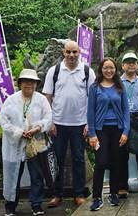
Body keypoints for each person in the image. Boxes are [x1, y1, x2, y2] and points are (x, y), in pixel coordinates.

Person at [43, 40, 96, 207]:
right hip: (58, 123)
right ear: (63, 53)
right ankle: (57, 194)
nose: (72, 55)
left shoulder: (87, 71)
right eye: (68, 52)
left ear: (79, 52)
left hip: (80, 124)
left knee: (78, 159)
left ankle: (79, 193)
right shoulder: (54, 71)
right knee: (57, 160)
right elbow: (47, 98)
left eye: (75, 52)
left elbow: (93, 99)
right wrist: (50, 122)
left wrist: (89, 123)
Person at [1, 69, 52, 216]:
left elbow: (48, 117)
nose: (29, 84)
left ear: (36, 84)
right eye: (25, 81)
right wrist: (18, 132)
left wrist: (38, 127)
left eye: (32, 81)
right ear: (20, 83)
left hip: (35, 144)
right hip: (14, 145)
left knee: (37, 175)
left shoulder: (41, 99)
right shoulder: (11, 100)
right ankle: (10, 205)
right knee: (13, 175)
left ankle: (36, 204)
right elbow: (4, 122)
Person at [87, 58, 130, 211]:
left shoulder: (120, 86)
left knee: (115, 162)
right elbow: (90, 112)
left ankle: (113, 193)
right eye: (106, 68)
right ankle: (97, 196)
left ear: (115, 69)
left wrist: (125, 131)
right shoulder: (94, 87)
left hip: (117, 129)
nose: (109, 70)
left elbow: (126, 111)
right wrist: (92, 134)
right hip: (100, 130)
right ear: (101, 69)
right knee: (101, 162)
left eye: (111, 68)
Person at [117, 52, 138, 198]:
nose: (131, 64)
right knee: (122, 154)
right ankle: (122, 186)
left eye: (133, 62)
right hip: (122, 119)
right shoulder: (117, 82)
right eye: (128, 62)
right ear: (123, 65)